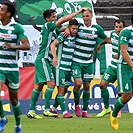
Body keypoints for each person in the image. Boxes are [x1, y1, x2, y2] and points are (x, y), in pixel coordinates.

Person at [27, 7, 87, 119]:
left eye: (56, 16)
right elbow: (64, 20)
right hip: (43, 59)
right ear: (47, 19)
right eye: (53, 16)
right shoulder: (48, 26)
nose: (56, 18)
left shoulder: (53, 30)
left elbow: (64, 27)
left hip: (43, 59)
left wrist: (69, 29)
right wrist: (78, 12)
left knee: (38, 87)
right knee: (51, 84)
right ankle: (46, 110)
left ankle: (31, 110)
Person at [71, 8, 111, 118]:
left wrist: (101, 45)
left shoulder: (97, 29)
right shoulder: (79, 27)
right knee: (78, 83)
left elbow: (107, 39)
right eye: (83, 16)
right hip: (77, 61)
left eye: (87, 16)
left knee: (87, 86)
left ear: (91, 16)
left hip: (88, 62)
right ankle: (77, 106)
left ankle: (85, 110)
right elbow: (69, 30)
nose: (85, 18)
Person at [0, 2, 30, 133]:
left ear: (8, 14)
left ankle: (18, 125)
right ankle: (2, 118)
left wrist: (13, 47)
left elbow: (27, 45)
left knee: (14, 100)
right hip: (0, 67)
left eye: (1, 10)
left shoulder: (17, 28)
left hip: (12, 69)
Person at [96, 20, 125, 118]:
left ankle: (118, 109)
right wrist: (100, 45)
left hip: (123, 66)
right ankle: (106, 107)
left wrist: (121, 54)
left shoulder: (127, 36)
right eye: (116, 27)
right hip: (112, 66)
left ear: (124, 28)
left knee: (120, 91)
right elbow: (109, 40)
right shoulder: (113, 34)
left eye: (120, 27)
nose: (118, 29)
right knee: (102, 84)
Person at [50, 19, 79, 118]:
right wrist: (55, 57)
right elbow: (53, 44)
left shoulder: (76, 37)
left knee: (65, 90)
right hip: (60, 67)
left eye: (76, 29)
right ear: (69, 27)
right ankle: (65, 112)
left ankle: (53, 109)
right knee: (61, 89)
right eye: (73, 28)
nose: (75, 30)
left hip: (68, 68)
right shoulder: (63, 35)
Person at [110, 15, 133, 130]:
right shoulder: (126, 32)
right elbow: (123, 51)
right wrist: (132, 65)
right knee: (127, 95)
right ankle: (114, 114)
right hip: (125, 67)